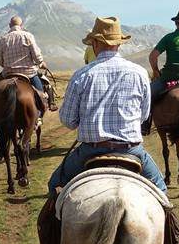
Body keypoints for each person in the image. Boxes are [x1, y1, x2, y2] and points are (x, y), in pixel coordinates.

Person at [47, 16, 167, 195]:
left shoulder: (82, 75)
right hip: (131, 150)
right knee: (161, 191)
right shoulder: (140, 73)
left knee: (54, 185)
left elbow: (68, 120)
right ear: (119, 43)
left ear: (95, 43)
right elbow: (143, 115)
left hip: (90, 151)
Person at [0, 15, 57, 111]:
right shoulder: (28, 36)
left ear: (9, 25)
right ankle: (47, 106)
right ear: (21, 25)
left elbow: (1, 62)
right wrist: (41, 63)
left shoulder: (3, 39)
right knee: (44, 89)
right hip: (29, 74)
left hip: (8, 74)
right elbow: (37, 56)